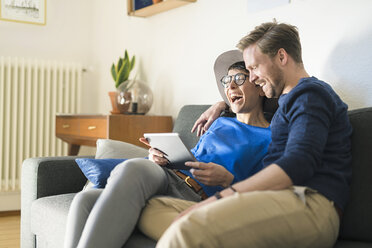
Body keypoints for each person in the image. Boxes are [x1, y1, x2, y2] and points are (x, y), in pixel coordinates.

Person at [142, 21, 352, 248]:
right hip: (273, 201)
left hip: (310, 205)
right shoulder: (285, 107)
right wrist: (221, 104)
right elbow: (247, 105)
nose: (251, 79)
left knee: (187, 227)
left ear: (282, 57)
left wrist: (221, 197)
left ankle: (194, 233)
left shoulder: (310, 94)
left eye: (254, 68)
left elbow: (299, 162)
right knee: (151, 209)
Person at [63, 51, 273, 248]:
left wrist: (229, 180)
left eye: (239, 79)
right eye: (227, 81)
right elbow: (194, 155)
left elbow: (267, 193)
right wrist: (159, 156)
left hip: (195, 194)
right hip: (170, 174)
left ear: (259, 85)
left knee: (133, 169)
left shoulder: (270, 138)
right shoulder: (218, 122)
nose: (230, 87)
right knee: (84, 199)